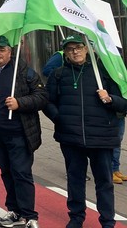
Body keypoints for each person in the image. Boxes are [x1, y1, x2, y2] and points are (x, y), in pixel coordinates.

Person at [44, 34, 127, 228]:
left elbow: (123, 104)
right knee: (75, 180)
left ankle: (107, 221)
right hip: (71, 138)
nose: (75, 51)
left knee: (104, 183)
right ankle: (76, 218)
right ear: (64, 52)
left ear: (86, 49)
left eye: (78, 47)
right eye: (70, 48)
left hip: (102, 138)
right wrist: (60, 118)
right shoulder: (58, 74)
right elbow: (47, 102)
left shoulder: (104, 74)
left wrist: (110, 99)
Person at [0, 35, 48, 228]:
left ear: (10, 51)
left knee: (21, 173)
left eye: (2, 49)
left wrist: (20, 103)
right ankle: (14, 211)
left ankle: (29, 215)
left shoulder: (23, 72)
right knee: (6, 172)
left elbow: (42, 97)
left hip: (18, 133)